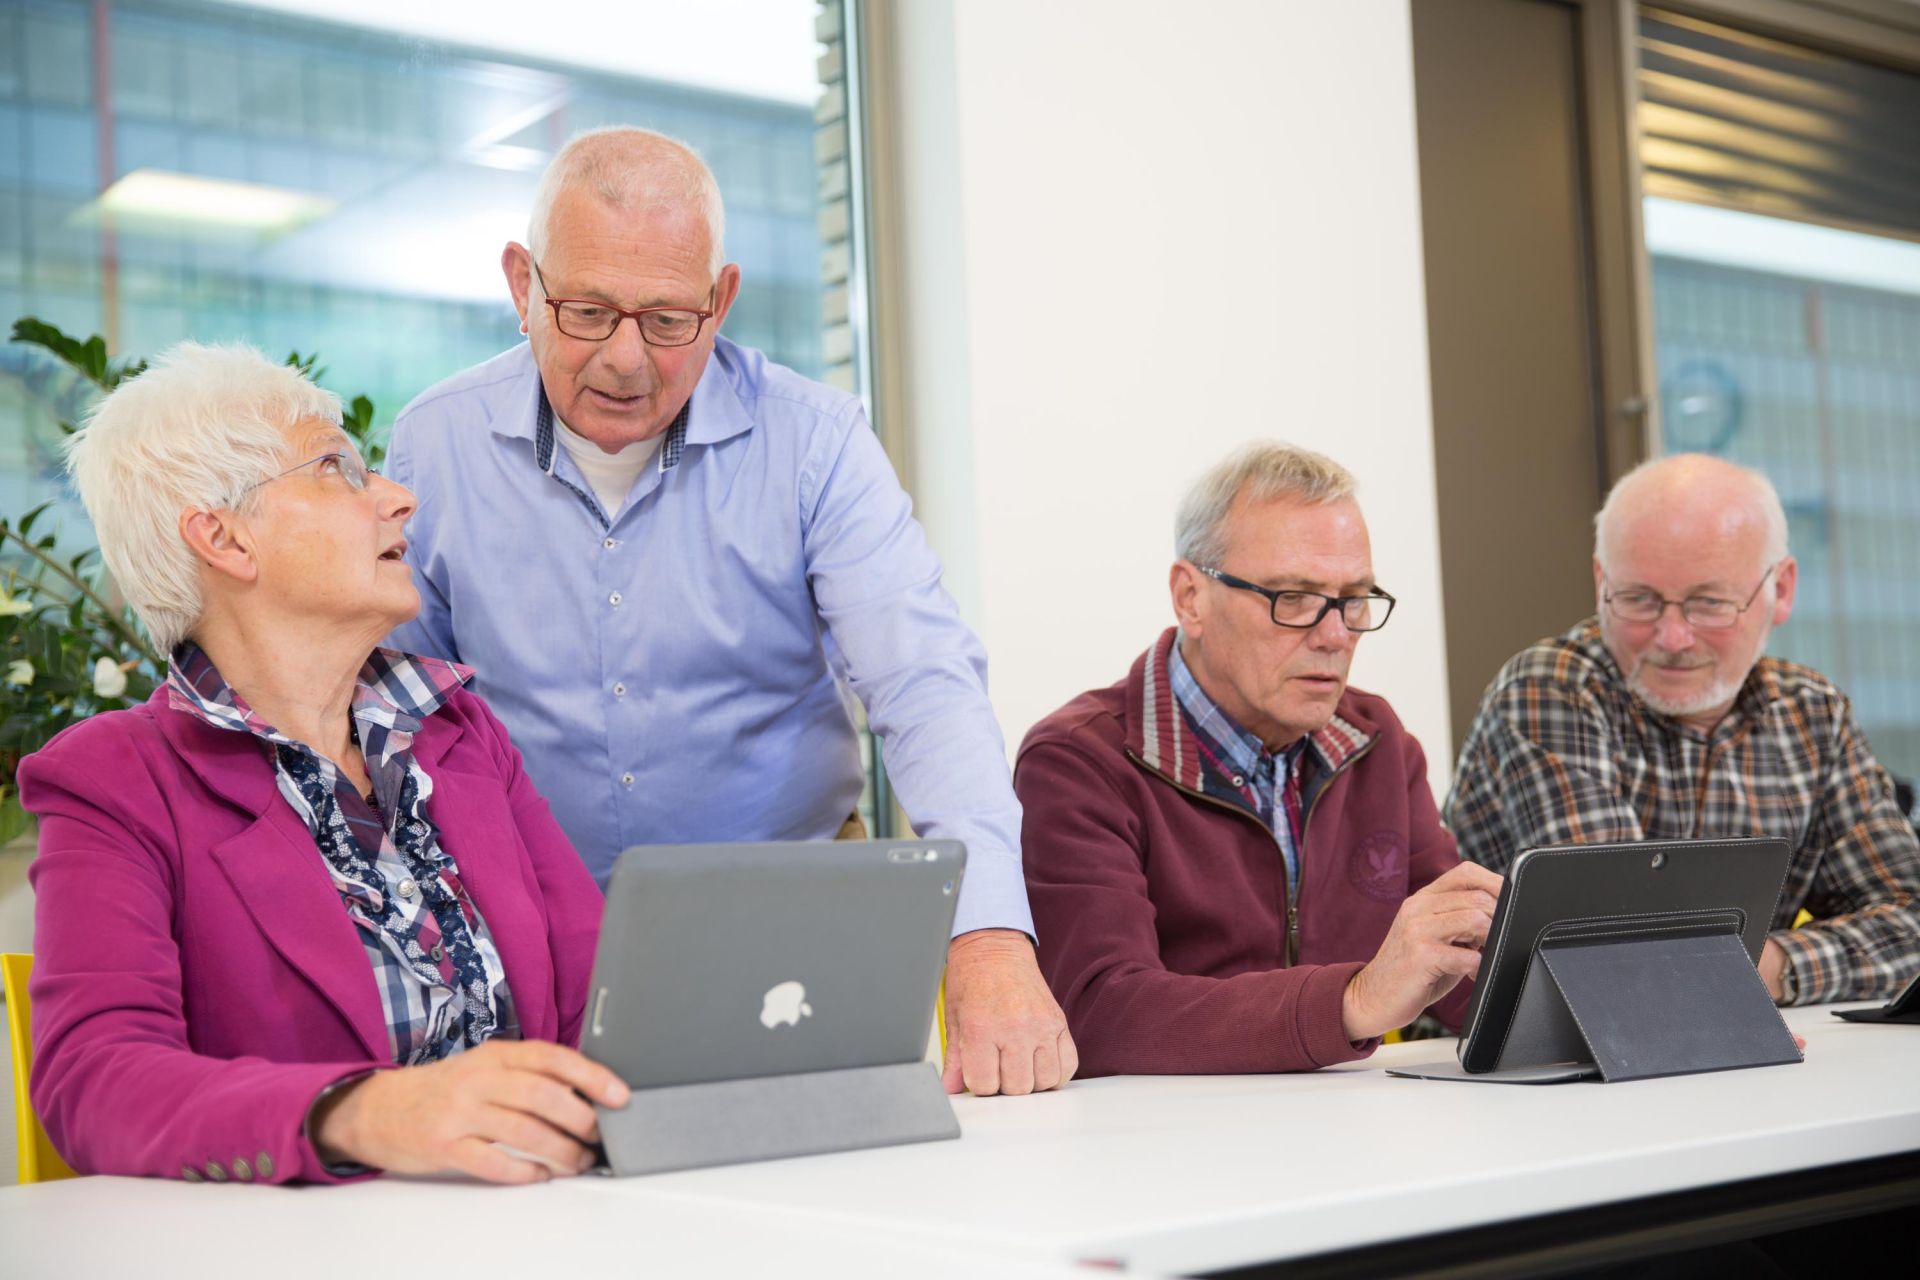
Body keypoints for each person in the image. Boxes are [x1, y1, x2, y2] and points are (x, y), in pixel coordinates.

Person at [382, 126, 1072, 1095]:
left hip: (787, 924)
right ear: (520, 284)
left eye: (669, 320)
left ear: (723, 299)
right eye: (586, 311)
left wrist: (991, 934)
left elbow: (925, 685)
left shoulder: (815, 444)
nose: (627, 359)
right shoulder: (434, 446)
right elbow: (384, 729)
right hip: (521, 935)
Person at [20, 343, 624, 1184]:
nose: (399, 498)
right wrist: (370, 1111)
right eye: (338, 468)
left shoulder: (461, 734)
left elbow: (605, 1002)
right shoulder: (115, 782)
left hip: (543, 1225)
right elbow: (95, 1083)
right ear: (224, 538)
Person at [1013, 443, 1502, 1075]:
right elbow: (1101, 1010)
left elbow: (1459, 966)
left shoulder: (1376, 739)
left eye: (1354, 599)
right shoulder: (1080, 762)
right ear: (1190, 597)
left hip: (1354, 1131)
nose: (1335, 636)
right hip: (1171, 1149)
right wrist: (1355, 1000)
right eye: (1293, 598)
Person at [1446, 453, 1920, 1005]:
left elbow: (1909, 921)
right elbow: (1619, 948)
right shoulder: (1551, 691)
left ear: (1782, 589)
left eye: (1709, 603)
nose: (1672, 637)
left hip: (1721, 1055)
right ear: (1602, 582)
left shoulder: (1812, 714)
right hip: (1510, 1071)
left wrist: (1776, 964)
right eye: (1640, 599)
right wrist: (1744, 966)